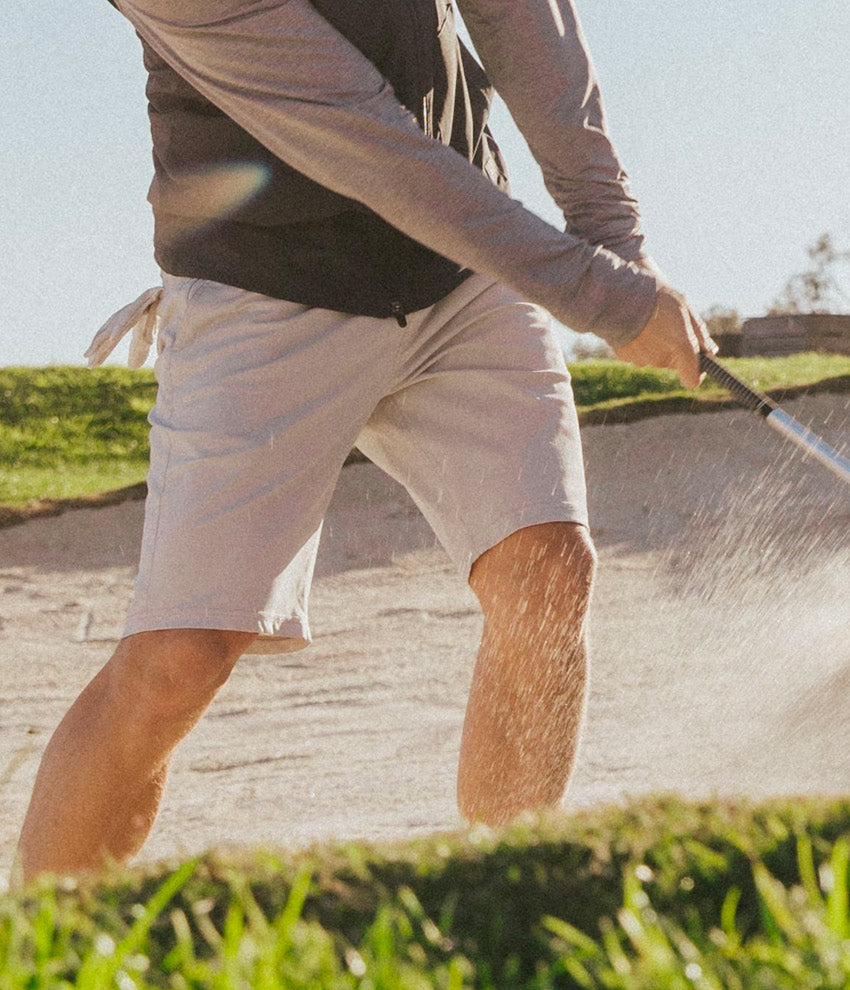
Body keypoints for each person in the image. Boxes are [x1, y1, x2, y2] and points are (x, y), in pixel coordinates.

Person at [13, 0, 715, 885]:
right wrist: (601, 296)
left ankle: (495, 919)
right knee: (175, 663)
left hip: (464, 271)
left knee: (546, 571)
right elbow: (368, 144)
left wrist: (612, 236)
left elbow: (517, 13)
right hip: (262, 289)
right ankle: (41, 946)